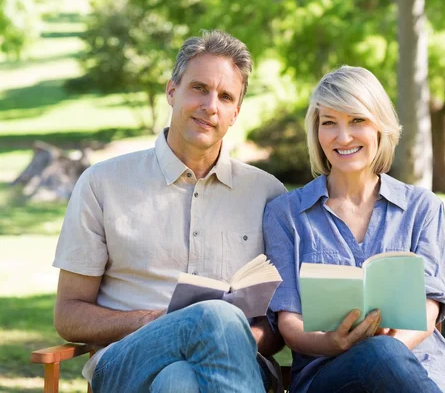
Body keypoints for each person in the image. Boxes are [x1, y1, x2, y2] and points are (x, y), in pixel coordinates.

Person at [53, 30, 287, 393]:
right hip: (127, 360)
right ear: (171, 91)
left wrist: (225, 337)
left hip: (239, 361)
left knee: (179, 380)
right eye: (199, 88)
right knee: (210, 317)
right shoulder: (102, 183)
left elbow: (276, 324)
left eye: (225, 97)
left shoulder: (268, 193)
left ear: (235, 113)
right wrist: (162, 322)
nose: (211, 105)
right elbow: (69, 314)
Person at [263, 65, 445, 392]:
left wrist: (390, 349)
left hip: (420, 366)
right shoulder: (286, 214)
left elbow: (429, 308)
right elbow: (289, 324)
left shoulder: (422, 208)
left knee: (384, 353)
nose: (343, 137)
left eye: (357, 120)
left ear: (379, 127)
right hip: (328, 374)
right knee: (378, 353)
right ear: (316, 132)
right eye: (329, 123)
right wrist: (335, 342)